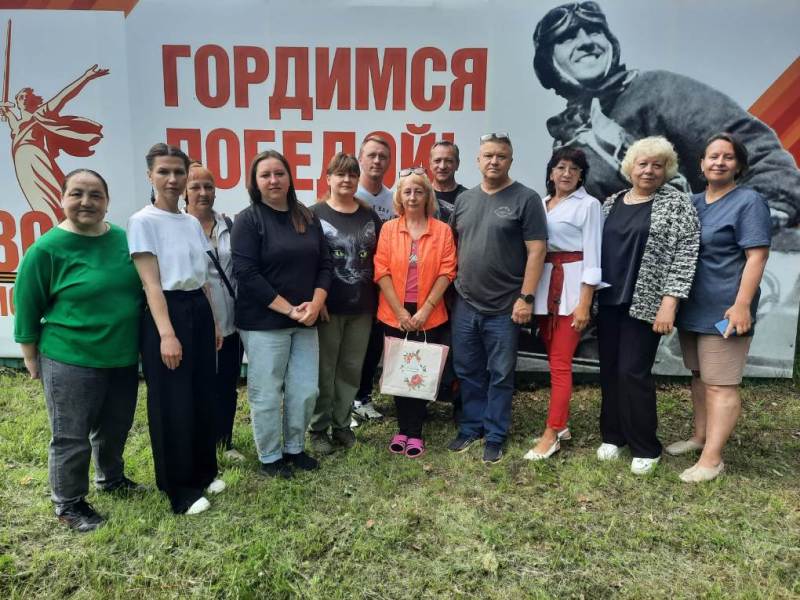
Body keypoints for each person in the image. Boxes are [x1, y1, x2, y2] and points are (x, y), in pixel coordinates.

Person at [531, 2, 800, 229]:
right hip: (627, 262)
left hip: (702, 250)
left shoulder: (659, 90)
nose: (586, 42)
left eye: (594, 31)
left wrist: (770, 206)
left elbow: (750, 147)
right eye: (567, 38)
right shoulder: (568, 141)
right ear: (549, 61)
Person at [13, 168, 143, 532]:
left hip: (121, 355)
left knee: (115, 426)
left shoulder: (122, 239)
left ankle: (111, 479)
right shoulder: (46, 249)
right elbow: (27, 304)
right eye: (77, 194)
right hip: (69, 357)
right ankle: (69, 503)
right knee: (71, 434)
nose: (86, 202)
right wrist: (29, 355)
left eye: (95, 195)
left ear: (107, 202)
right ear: (62, 198)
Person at [128, 143, 225, 515]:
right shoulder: (143, 221)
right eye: (164, 172)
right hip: (165, 311)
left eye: (178, 172)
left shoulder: (189, 222)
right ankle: (178, 488)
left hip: (197, 308)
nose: (172, 179)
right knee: (172, 402)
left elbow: (203, 279)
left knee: (202, 393)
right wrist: (167, 334)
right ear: (150, 175)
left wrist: (213, 322)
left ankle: (203, 471)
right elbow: (151, 284)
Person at [596, 136, 699, 475]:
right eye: (643, 164)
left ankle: (645, 446)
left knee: (632, 372)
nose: (649, 170)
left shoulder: (677, 204)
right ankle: (613, 435)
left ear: (667, 169)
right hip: (608, 300)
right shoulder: (611, 202)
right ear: (631, 167)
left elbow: (685, 256)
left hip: (646, 303)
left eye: (658, 165)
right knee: (610, 369)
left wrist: (669, 303)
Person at [671, 134, 771, 482]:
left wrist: (742, 305)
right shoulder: (693, 202)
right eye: (713, 156)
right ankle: (700, 438)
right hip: (692, 307)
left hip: (725, 310)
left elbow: (757, 256)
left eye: (728, 157)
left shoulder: (748, 202)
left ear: (738, 165)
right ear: (701, 163)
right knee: (700, 376)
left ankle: (712, 460)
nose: (719, 162)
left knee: (721, 385)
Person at [448, 133, 548, 464]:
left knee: (501, 373)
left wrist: (526, 298)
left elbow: (537, 251)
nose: (494, 161)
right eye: (488, 155)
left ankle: (495, 434)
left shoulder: (526, 199)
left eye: (501, 156)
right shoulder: (465, 200)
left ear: (510, 161)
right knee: (467, 369)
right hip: (465, 302)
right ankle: (471, 426)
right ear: (478, 161)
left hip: (506, 305)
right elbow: (453, 245)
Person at [231, 150, 332, 478]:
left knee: (305, 390)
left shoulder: (306, 216)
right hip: (264, 323)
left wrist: (315, 303)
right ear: (255, 182)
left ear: (289, 178)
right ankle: (270, 457)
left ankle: (294, 449)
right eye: (265, 175)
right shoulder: (248, 220)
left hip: (306, 320)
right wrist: (289, 309)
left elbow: (325, 264)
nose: (273, 180)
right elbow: (246, 273)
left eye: (279, 173)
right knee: (267, 392)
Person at [523, 147, 603, 460]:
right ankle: (562, 424)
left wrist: (584, 303)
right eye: (560, 167)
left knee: (560, 364)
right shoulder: (541, 203)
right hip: (543, 290)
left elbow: (593, 256)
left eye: (573, 168)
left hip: (571, 292)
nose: (566, 173)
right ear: (551, 172)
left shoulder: (589, 205)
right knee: (553, 358)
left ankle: (552, 432)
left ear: (581, 175)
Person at [374, 168, 457, 458]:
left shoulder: (442, 230)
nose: (412, 196)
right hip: (395, 312)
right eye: (407, 191)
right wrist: (400, 312)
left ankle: (416, 431)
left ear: (427, 196)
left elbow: (447, 271)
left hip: (428, 313)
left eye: (418, 191)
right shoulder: (388, 229)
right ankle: (402, 429)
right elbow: (381, 270)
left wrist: (425, 310)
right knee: (400, 370)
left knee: (420, 371)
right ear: (399, 196)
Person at [309, 153, 382, 455]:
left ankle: (341, 425)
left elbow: (380, 259)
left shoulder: (369, 216)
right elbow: (307, 260)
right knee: (324, 370)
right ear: (328, 178)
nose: (347, 180)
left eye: (352, 175)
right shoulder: (313, 215)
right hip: (328, 307)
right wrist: (317, 299)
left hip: (362, 306)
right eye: (340, 174)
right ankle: (318, 428)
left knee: (351, 368)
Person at [184, 162, 244, 461]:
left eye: (208, 186)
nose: (203, 192)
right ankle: (197, 442)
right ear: (184, 191)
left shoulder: (228, 225)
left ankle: (224, 441)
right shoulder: (179, 227)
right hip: (196, 320)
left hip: (231, 319)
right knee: (197, 384)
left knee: (227, 384)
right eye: (195, 186)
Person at [0, 65, 108, 225]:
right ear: (17, 102)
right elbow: (9, 117)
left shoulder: (40, 113)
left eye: (27, 96)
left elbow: (64, 96)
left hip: (36, 157)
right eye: (20, 97)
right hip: (22, 165)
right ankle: (52, 225)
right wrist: (6, 111)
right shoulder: (17, 125)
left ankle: (68, 224)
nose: (24, 99)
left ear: (33, 100)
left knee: (54, 193)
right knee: (37, 198)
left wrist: (86, 77)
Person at [352, 135, 395, 421]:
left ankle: (363, 397)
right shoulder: (349, 191)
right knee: (349, 346)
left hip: (383, 283)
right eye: (371, 155)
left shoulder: (393, 198)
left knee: (372, 344)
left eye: (383, 156)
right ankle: (343, 401)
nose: (377, 161)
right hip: (352, 282)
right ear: (360, 159)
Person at [429, 140, 468, 223]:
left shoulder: (469, 198)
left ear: (457, 164)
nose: (442, 166)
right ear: (430, 164)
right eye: (437, 160)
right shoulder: (421, 196)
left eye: (448, 161)